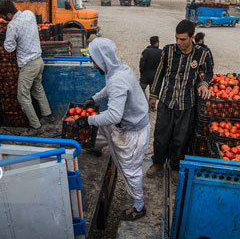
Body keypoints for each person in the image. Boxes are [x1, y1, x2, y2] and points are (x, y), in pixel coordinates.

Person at [75, 38, 150, 221]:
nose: (93, 64)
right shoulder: (119, 69)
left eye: (93, 60)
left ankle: (139, 207)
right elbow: (109, 89)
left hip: (132, 133)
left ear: (101, 59)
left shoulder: (117, 79)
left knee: (130, 171)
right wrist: (94, 99)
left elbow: (114, 116)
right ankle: (95, 146)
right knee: (104, 129)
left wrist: (88, 120)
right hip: (131, 123)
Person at [146, 20, 214, 182]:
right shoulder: (169, 51)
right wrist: (154, 96)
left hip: (186, 104)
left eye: (182, 39)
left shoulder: (202, 53)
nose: (179, 42)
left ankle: (175, 166)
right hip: (166, 102)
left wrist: (204, 83)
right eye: (177, 38)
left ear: (192, 37)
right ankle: (158, 163)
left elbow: (209, 71)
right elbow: (159, 73)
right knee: (161, 135)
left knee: (180, 138)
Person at [0, 0, 55, 136]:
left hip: (28, 65)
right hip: (39, 61)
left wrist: (4, 39)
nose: (1, 18)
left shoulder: (12, 25)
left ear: (8, 15)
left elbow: (9, 48)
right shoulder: (29, 14)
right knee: (37, 88)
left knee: (22, 96)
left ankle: (36, 126)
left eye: (1, 16)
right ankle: (48, 115)